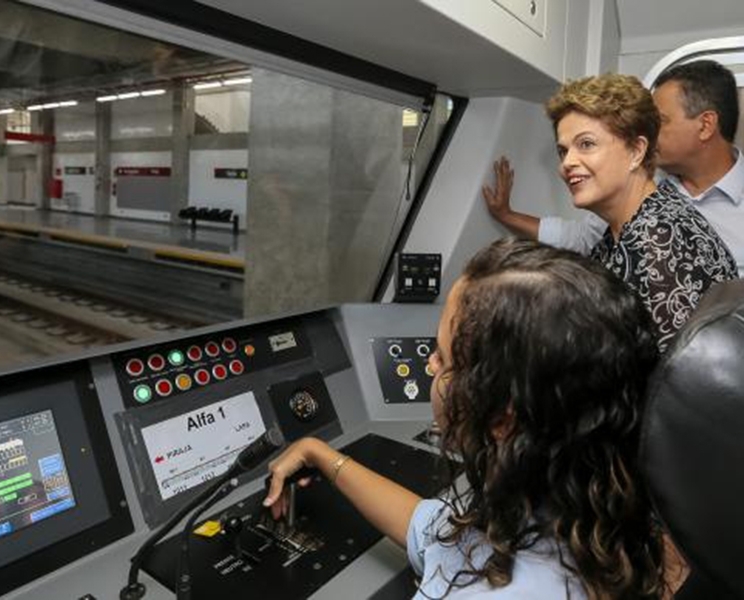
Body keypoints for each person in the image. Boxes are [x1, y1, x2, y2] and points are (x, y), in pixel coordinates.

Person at [264, 239, 666, 599]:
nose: (429, 363)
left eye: (442, 356)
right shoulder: (577, 505)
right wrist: (320, 453)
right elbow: (431, 533)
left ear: (502, 419)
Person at [490, 73, 736, 352]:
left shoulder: (659, 242)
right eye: (563, 151)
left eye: (586, 144)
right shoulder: (627, 228)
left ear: (636, 151)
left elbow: (672, 385)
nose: (567, 163)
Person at [483, 60, 744, 277]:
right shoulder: (644, 197)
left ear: (705, 125)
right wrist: (507, 215)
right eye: (563, 151)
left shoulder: (659, 230)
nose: (567, 163)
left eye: (659, 122)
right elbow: (584, 238)